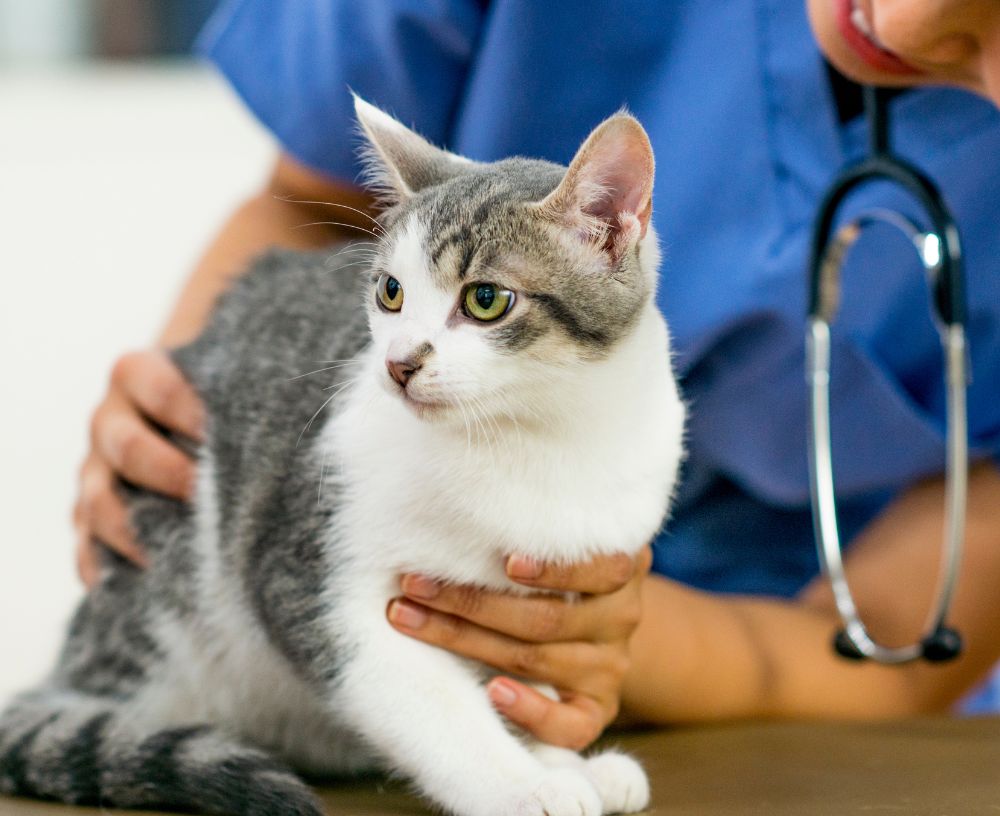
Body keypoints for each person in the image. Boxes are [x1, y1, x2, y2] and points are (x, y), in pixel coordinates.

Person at [74, 0, 1000, 750]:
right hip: (364, 605)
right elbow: (315, 209)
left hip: (771, 707)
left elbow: (906, 648)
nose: (921, 30)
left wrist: (593, 633)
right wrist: (192, 434)